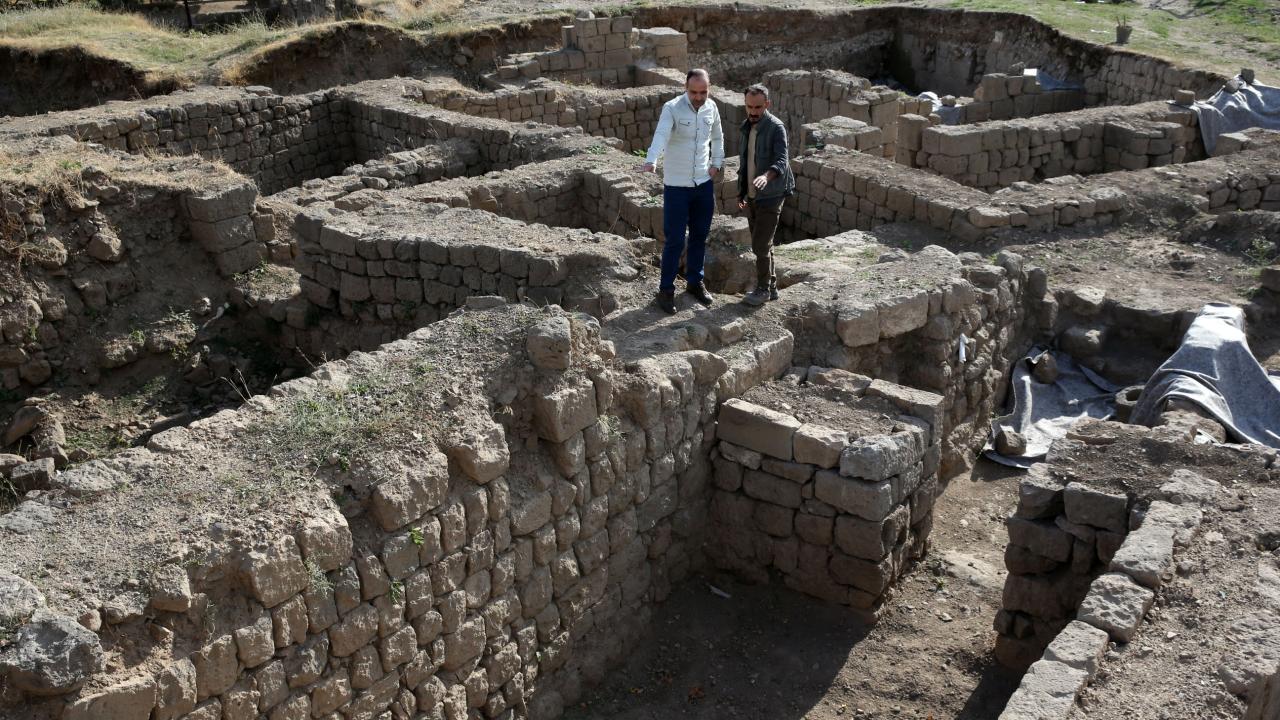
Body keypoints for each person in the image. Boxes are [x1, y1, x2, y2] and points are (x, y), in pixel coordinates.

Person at [640, 68, 725, 315]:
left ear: (709, 89)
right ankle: (666, 290)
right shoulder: (672, 108)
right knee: (675, 240)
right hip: (677, 185)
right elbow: (662, 134)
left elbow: (718, 138)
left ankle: (695, 281)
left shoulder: (712, 107)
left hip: (703, 183)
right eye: (693, 92)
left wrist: (716, 164)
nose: (698, 97)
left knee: (700, 235)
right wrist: (652, 159)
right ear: (685, 88)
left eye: (703, 92)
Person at [737, 83, 794, 306]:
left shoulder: (776, 127)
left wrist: (766, 177)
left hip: (771, 194)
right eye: (749, 107)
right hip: (752, 195)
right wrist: (742, 193)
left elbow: (782, 160)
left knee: (760, 244)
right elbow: (745, 162)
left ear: (767, 104)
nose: (753, 112)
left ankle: (762, 290)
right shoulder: (746, 126)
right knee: (763, 243)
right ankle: (770, 286)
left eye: (758, 107)